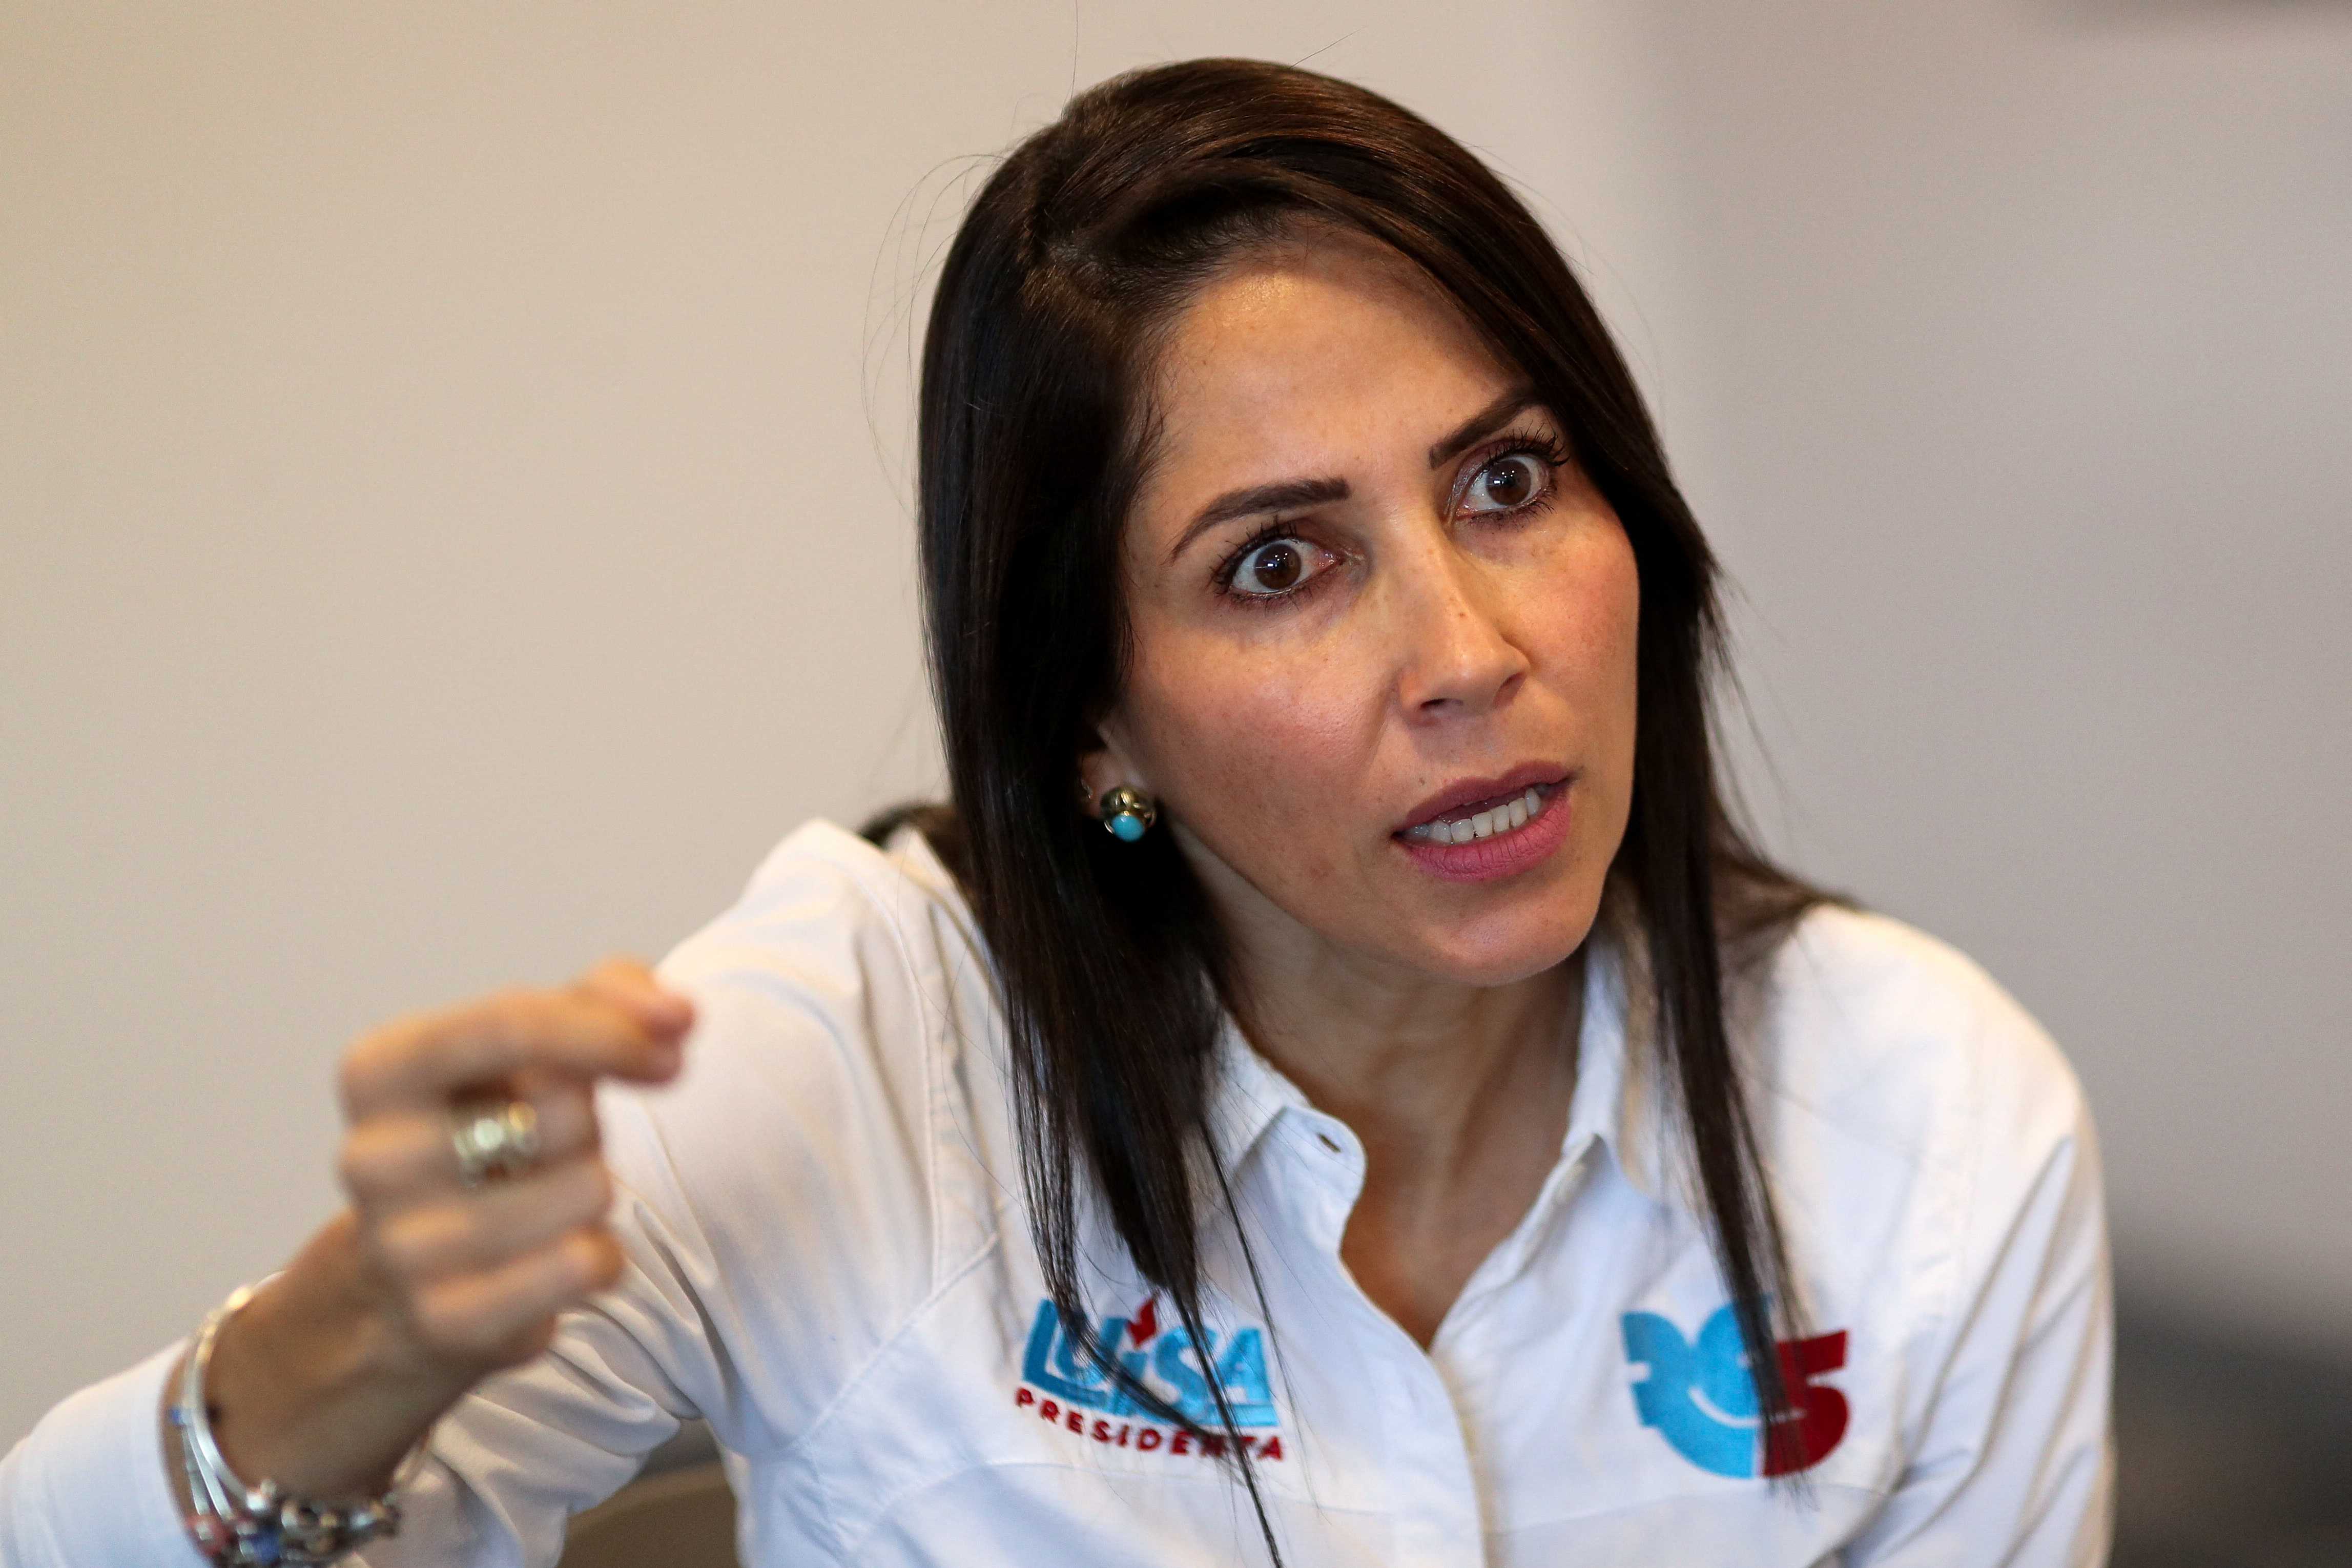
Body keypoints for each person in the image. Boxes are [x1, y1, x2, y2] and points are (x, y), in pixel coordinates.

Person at [0, 58, 2111, 1567]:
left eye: (1504, 481)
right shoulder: (846, 1062)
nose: (1465, 649)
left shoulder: (1920, 1122)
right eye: (1277, 564)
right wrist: (361, 1332)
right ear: (1088, 717)